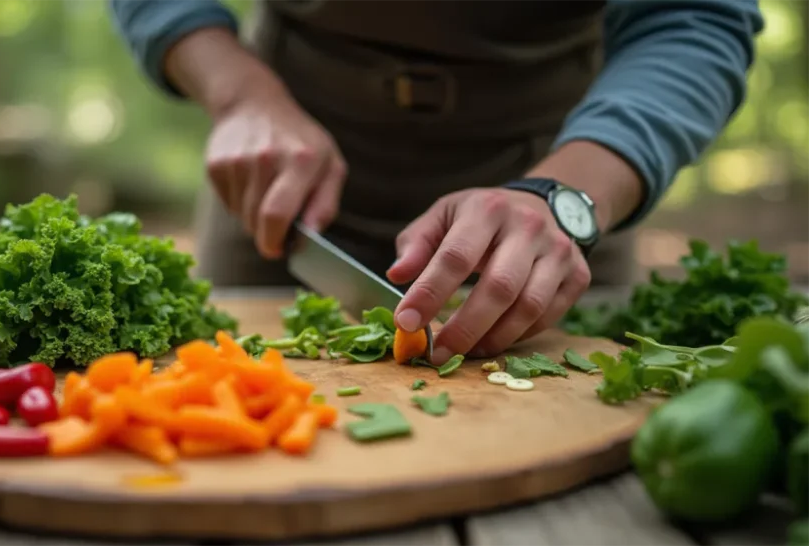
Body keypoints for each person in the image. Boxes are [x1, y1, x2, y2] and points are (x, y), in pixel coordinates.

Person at [109, 0, 763, 363]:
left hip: (564, 172)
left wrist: (566, 197)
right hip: (280, 189)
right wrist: (238, 92)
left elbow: (694, 15)